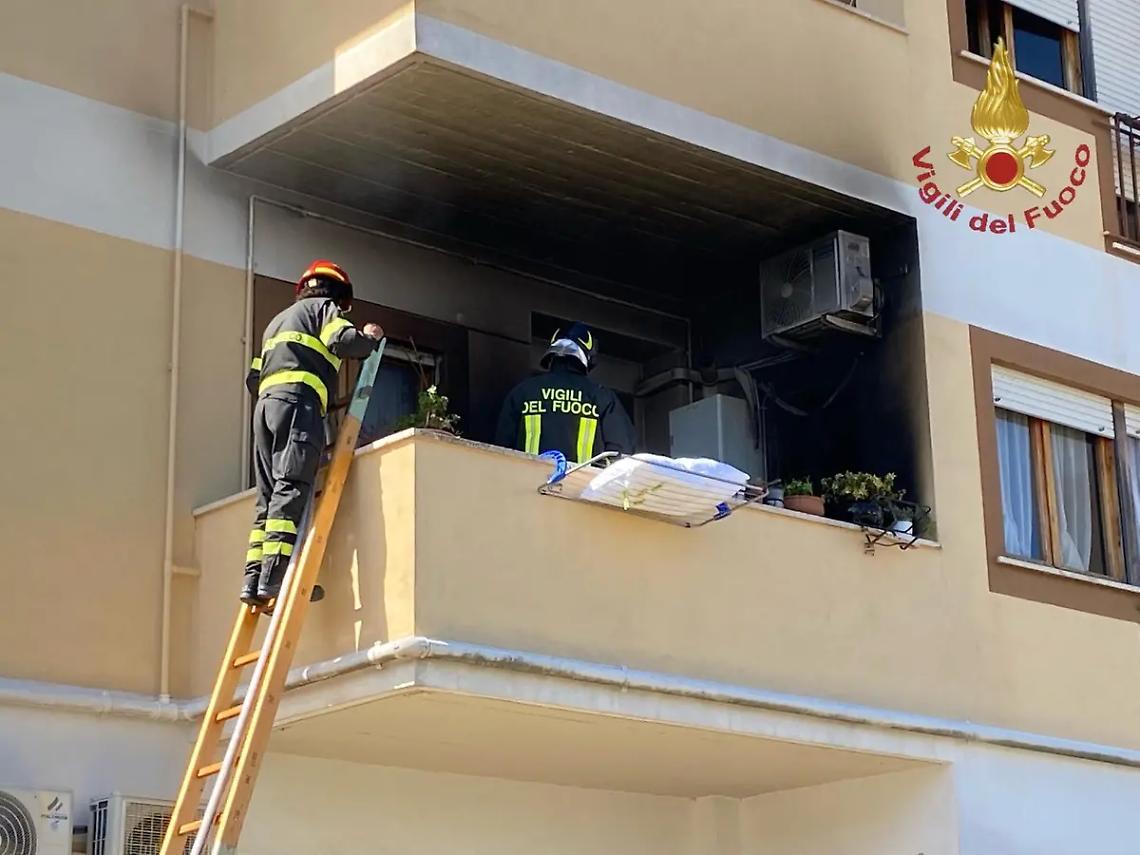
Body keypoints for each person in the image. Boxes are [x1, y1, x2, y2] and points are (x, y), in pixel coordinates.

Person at [241, 260, 384, 606]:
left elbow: (253, 380)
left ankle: (254, 579)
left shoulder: (275, 323)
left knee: (270, 494)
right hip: (297, 405)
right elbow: (344, 341)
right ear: (338, 293)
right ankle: (276, 580)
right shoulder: (324, 308)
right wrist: (370, 338)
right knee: (292, 486)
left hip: (265, 411)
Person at [495, 321, 636, 463]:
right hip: (584, 484)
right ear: (588, 356)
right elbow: (620, 453)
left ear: (552, 355)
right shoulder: (602, 396)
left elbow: (501, 450)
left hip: (527, 483)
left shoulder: (523, 392)